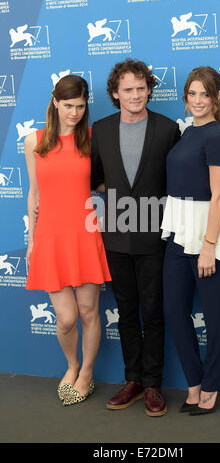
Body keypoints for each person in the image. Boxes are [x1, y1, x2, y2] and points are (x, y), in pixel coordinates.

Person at [91, 59, 180, 416]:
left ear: (149, 89)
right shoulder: (100, 129)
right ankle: (133, 380)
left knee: (152, 312)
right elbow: (95, 179)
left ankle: (154, 384)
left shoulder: (168, 129)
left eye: (141, 88)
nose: (136, 95)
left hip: (155, 238)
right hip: (115, 237)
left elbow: (175, 183)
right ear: (115, 93)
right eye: (128, 89)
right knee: (126, 311)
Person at [161, 66, 220, 415]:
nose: (197, 100)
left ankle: (213, 387)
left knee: (213, 317)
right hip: (177, 235)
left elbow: (219, 197)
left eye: (205, 94)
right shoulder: (185, 133)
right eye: (192, 93)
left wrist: (209, 246)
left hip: (206, 236)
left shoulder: (215, 136)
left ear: (217, 97)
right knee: (173, 312)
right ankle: (194, 383)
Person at [25, 75, 111, 406]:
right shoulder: (35, 142)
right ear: (55, 102)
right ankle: (71, 365)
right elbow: (34, 194)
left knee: (89, 311)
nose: (74, 113)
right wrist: (32, 239)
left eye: (80, 106)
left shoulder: (92, 140)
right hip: (50, 237)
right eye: (68, 106)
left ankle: (86, 372)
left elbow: (106, 184)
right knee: (66, 318)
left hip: (85, 235)